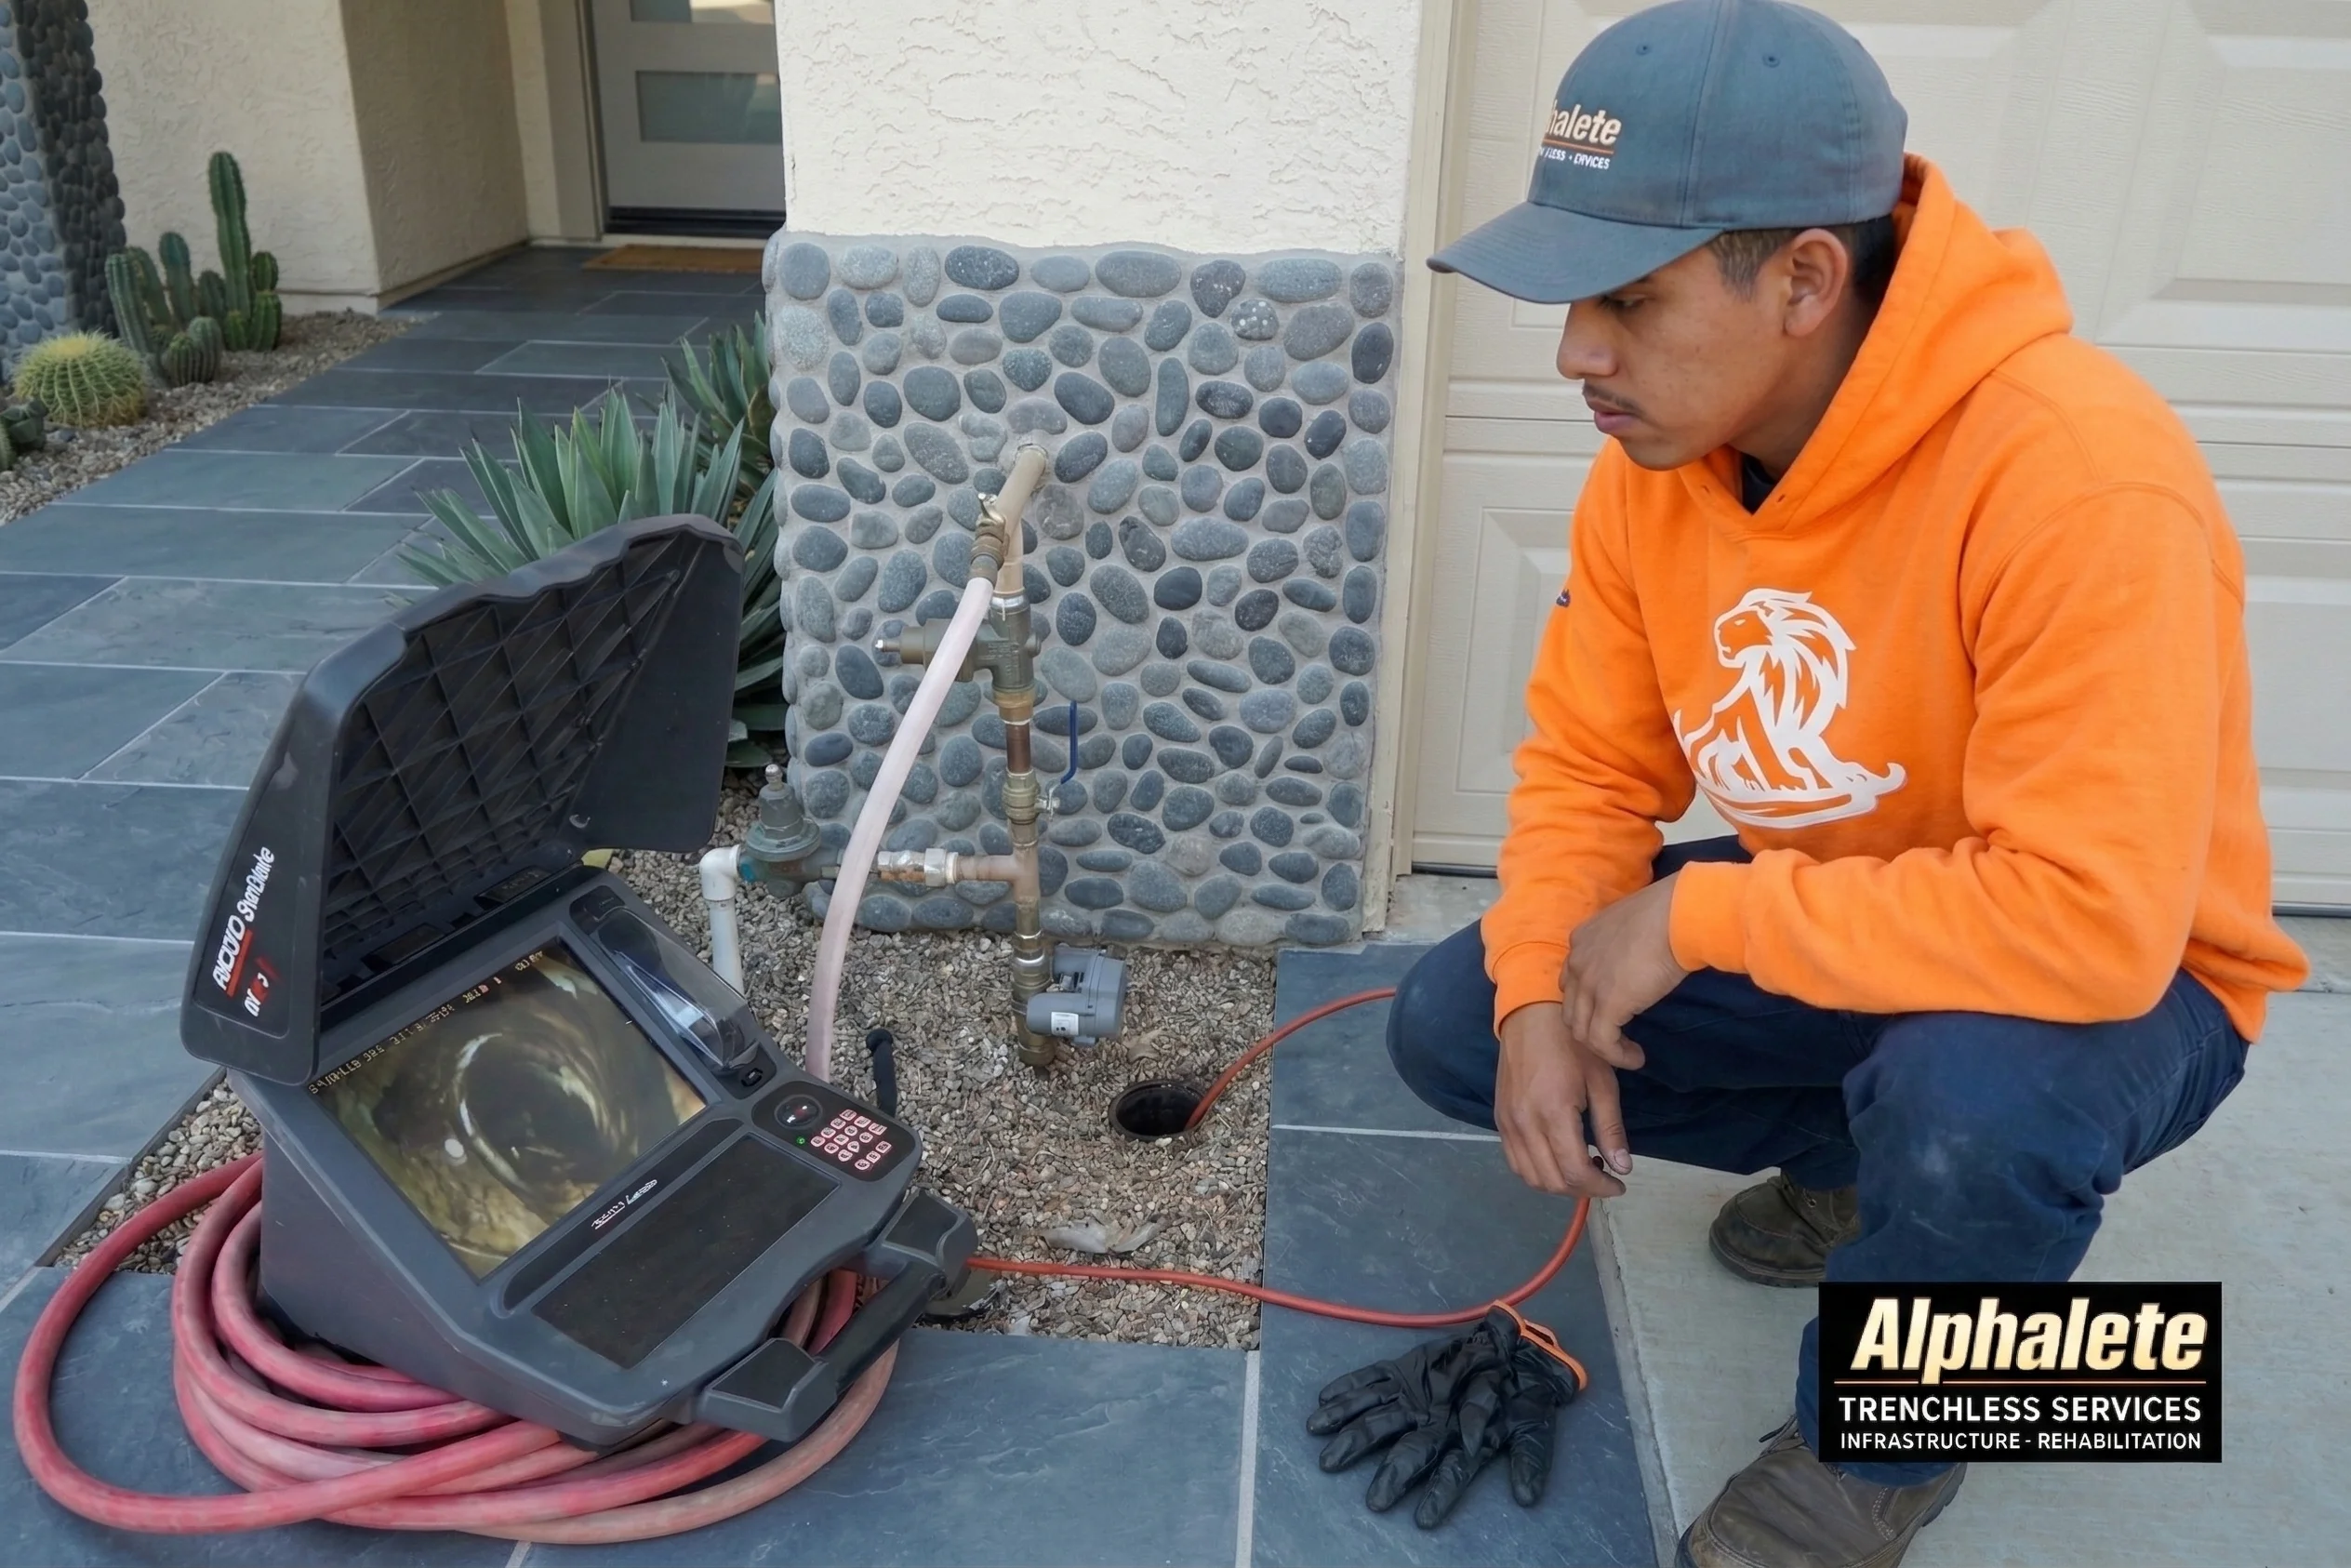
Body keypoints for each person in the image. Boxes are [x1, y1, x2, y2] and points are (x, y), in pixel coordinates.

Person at [1393, 1, 2308, 1563]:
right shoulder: (1657, 466)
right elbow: (1591, 765)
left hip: (2127, 982)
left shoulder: (2081, 476)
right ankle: (1872, 1192)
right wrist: (1542, 985)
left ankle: (1888, 1441)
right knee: (1457, 1021)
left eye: (1627, 297)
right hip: (1855, 932)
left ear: (1807, 277)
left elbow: (2089, 922)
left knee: (1971, 1113)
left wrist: (1696, 922)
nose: (1574, 353)